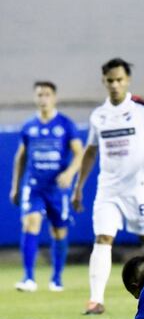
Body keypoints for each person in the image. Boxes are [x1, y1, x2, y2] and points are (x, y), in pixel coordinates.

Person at [72, 58, 144, 315]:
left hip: (138, 188)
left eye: (119, 80)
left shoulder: (141, 108)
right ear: (104, 82)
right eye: (110, 81)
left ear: (127, 80)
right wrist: (78, 187)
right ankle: (96, 300)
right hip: (108, 189)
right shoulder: (99, 115)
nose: (115, 85)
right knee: (103, 238)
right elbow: (90, 152)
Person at [9, 81, 84, 292]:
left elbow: (80, 153)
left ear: (54, 97)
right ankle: (28, 277)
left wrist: (69, 173)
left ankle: (57, 278)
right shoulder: (28, 126)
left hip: (57, 188)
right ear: (35, 98)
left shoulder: (65, 124)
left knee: (58, 231)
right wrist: (15, 186)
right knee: (30, 222)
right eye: (40, 95)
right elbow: (20, 158)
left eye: (47, 94)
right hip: (33, 186)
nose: (43, 99)